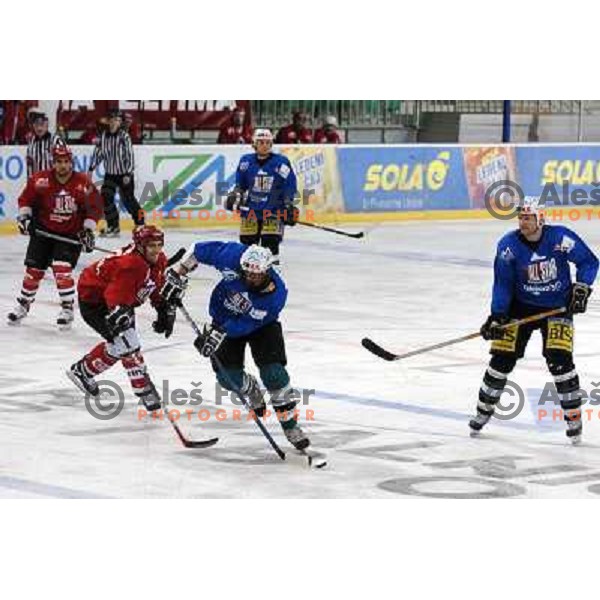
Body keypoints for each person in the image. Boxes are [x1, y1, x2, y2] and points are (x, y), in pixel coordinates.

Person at [469, 197, 599, 444]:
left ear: (540, 219)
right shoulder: (508, 246)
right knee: (501, 359)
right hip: (519, 308)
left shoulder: (561, 238)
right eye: (520, 217)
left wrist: (582, 287)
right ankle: (483, 412)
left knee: (559, 361)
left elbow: (588, 261)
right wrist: (497, 315)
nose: (523, 221)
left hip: (557, 308)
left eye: (528, 217)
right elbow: (503, 283)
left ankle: (574, 419)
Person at [162, 241, 311, 450]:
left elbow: (248, 323)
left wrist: (217, 334)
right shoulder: (232, 256)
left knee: (274, 374)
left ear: (268, 271)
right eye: (247, 273)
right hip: (223, 320)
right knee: (228, 379)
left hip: (261, 327)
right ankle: (251, 389)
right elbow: (198, 250)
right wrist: (180, 271)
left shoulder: (275, 295)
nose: (250, 278)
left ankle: (290, 426)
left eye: (257, 275)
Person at [67, 225, 173, 412]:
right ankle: (143, 389)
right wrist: (118, 311)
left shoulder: (158, 259)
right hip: (95, 302)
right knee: (127, 344)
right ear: (140, 246)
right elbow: (114, 294)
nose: (156, 250)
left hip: (120, 299)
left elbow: (154, 283)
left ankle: (82, 371)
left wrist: (162, 308)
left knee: (121, 346)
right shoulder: (132, 265)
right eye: (151, 245)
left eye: (159, 244)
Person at [7, 141, 101, 329]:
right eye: (59, 161)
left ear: (71, 162)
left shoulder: (83, 183)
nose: (62, 165)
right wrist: (25, 217)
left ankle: (67, 308)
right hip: (43, 232)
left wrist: (88, 230)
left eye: (66, 161)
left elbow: (95, 207)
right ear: (53, 162)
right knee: (34, 271)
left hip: (70, 235)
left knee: (61, 268)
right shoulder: (40, 180)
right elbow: (26, 199)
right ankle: (23, 304)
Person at [225, 128, 299, 267]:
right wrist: (235, 194)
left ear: (271, 144)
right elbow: (240, 184)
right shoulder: (245, 161)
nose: (264, 145)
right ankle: (247, 273)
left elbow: (289, 184)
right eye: (261, 142)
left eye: (267, 142)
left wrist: (289, 204)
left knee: (270, 243)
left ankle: (273, 272)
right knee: (247, 244)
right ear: (254, 144)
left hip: (274, 210)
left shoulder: (281, 162)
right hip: (250, 210)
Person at [88, 108, 144, 237]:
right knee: (106, 198)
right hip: (110, 174)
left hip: (124, 174)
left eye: (117, 120)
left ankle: (140, 222)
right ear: (108, 121)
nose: (114, 122)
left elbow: (129, 155)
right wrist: (91, 169)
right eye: (112, 119)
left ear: (120, 122)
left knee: (129, 201)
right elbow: (99, 153)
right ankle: (113, 226)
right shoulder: (103, 136)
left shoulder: (124, 136)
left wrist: (128, 173)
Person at [26, 112, 57, 176]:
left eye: (42, 124)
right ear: (33, 126)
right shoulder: (31, 143)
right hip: (37, 182)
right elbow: (30, 167)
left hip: (54, 183)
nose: (39, 128)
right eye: (36, 124)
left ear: (47, 125)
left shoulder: (56, 141)